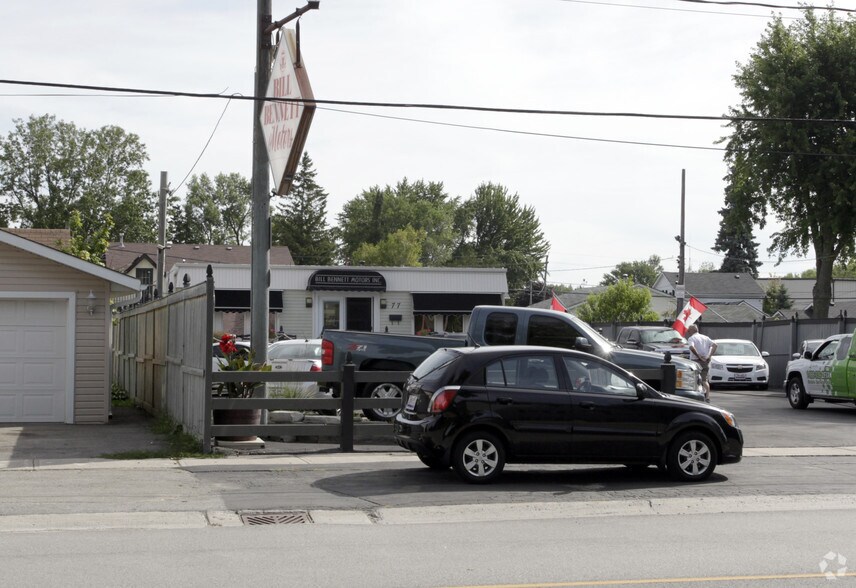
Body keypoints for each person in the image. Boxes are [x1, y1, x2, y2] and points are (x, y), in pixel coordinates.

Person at [686, 324, 717, 402]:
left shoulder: (691, 338)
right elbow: (715, 345)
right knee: (704, 380)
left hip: (695, 361)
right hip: (705, 361)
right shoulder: (705, 337)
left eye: (689, 330)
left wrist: (698, 356)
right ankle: (707, 397)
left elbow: (691, 347)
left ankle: (696, 396)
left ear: (692, 330)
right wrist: (709, 356)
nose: (688, 331)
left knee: (694, 379)